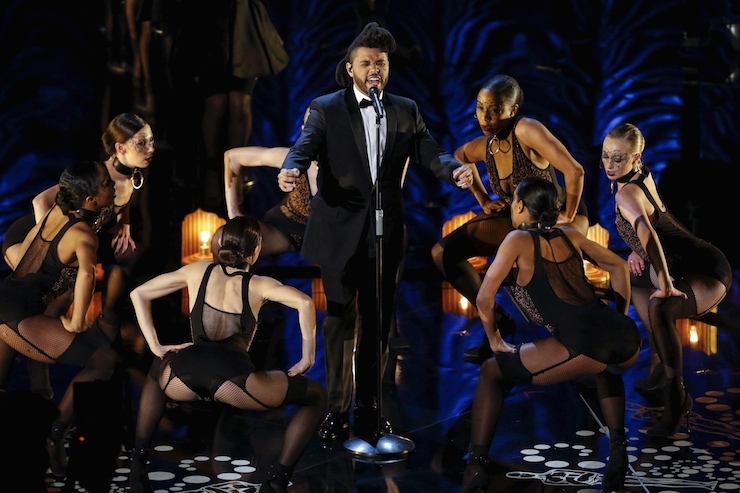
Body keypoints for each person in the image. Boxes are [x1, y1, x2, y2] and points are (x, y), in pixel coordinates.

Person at [278, 22, 473, 441]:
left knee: (378, 323)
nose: (374, 69)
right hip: (339, 230)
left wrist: (454, 170)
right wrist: (291, 167)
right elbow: (305, 144)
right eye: (366, 62)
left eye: (380, 63)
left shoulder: (404, 109)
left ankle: (369, 410)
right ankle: (336, 410)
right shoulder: (326, 107)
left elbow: (430, 151)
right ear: (350, 68)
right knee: (340, 319)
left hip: (385, 233)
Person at [461, 177, 640, 493]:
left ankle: (475, 466)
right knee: (605, 366)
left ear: (520, 205)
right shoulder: (570, 233)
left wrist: (495, 340)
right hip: (627, 338)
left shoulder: (516, 239)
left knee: (491, 371)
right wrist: (619, 316)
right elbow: (619, 268)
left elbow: (484, 297)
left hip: (584, 342)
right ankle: (618, 449)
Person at [128, 216, 326, 493]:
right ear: (255, 251)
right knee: (316, 397)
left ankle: (138, 461)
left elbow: (138, 294)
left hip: (181, 380)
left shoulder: (197, 270)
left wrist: (155, 346)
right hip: (232, 384)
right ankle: (277, 481)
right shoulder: (259, 284)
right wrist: (307, 358)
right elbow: (305, 302)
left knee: (157, 368)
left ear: (221, 243)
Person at [431, 74, 589, 364]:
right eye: (480, 108)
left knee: (545, 270)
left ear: (513, 110)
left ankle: (584, 347)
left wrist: (566, 215)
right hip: (520, 220)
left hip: (554, 215)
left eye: (495, 110)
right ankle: (498, 321)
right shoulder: (487, 145)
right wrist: (483, 200)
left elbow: (575, 171)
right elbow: (460, 156)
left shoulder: (526, 129)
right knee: (442, 253)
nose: (486, 117)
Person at [601, 123, 731, 437]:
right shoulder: (636, 175)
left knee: (661, 307)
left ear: (636, 158)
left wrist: (665, 282)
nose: (609, 165)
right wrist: (637, 252)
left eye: (618, 158)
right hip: (678, 262)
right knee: (630, 278)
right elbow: (656, 227)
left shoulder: (627, 192)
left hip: (706, 269)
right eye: (605, 156)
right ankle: (659, 365)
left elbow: (649, 234)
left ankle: (677, 396)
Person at [17, 113, 154, 399]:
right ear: (120, 148)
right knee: (60, 295)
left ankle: (108, 317)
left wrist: (125, 225)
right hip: (43, 240)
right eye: (142, 143)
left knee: (131, 253)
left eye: (151, 141)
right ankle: (38, 363)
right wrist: (51, 243)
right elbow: (40, 200)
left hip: (88, 235)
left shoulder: (133, 174)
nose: (151, 148)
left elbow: (124, 199)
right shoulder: (97, 176)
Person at [0, 161, 119, 477]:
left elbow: (44, 197)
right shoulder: (83, 234)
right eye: (107, 183)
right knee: (104, 360)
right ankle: (54, 437)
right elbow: (87, 274)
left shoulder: (55, 209)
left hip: (7, 298)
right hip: (17, 316)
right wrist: (77, 322)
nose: (112, 186)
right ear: (90, 199)